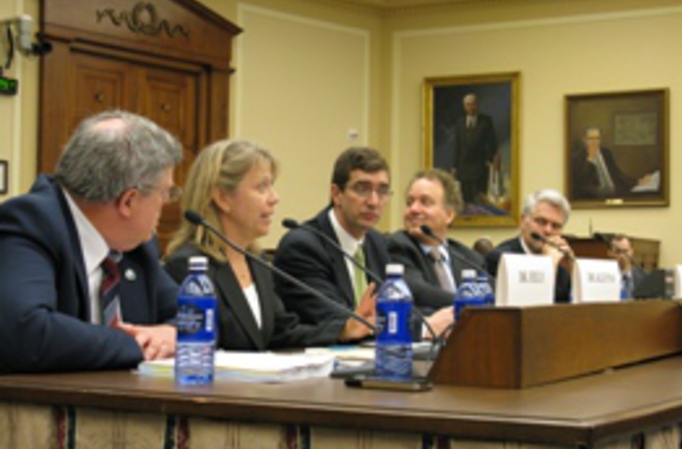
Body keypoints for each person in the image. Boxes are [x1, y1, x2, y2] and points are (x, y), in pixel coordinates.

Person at [0, 110, 182, 373]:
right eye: (166, 192)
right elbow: (24, 332)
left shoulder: (135, 245)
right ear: (128, 201)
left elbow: (201, 315)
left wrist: (173, 333)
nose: (166, 202)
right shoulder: (30, 223)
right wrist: (136, 345)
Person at [164, 139, 374, 350]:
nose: (275, 198)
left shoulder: (257, 263)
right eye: (262, 187)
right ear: (223, 197)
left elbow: (282, 332)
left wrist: (345, 329)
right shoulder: (189, 267)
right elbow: (199, 343)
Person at [274, 146, 452, 339]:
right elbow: (341, 320)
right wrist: (424, 328)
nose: (374, 201)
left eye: (382, 191)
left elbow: (396, 305)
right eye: (362, 189)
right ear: (337, 194)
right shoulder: (303, 246)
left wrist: (441, 318)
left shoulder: (376, 242)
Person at [388, 169, 484, 312]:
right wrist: (469, 304)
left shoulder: (470, 259)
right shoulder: (398, 246)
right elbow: (419, 291)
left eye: (425, 202)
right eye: (409, 202)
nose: (413, 209)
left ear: (449, 215)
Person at [485, 189, 574, 303]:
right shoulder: (500, 258)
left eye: (555, 226)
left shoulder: (559, 261)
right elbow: (527, 307)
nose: (548, 230)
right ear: (523, 221)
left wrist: (573, 273)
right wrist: (547, 265)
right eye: (541, 222)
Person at [571, 127, 655, 200]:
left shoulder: (606, 153)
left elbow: (617, 173)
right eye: (591, 139)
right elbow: (583, 185)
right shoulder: (577, 158)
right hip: (594, 198)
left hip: (614, 194)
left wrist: (637, 182)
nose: (594, 142)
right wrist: (591, 160)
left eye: (597, 138)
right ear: (584, 140)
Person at [453, 93, 498, 207]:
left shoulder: (486, 121)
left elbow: (492, 142)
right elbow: (457, 145)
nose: (471, 107)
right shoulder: (459, 123)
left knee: (479, 202)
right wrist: (454, 166)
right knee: (466, 202)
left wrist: (491, 159)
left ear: (477, 105)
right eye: (468, 105)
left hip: (480, 168)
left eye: (473, 104)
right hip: (463, 168)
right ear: (464, 107)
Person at [608, 233, 647, 299]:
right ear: (610, 253)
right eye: (618, 252)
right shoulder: (605, 276)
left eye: (625, 251)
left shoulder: (643, 277)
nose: (622, 255)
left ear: (632, 252)